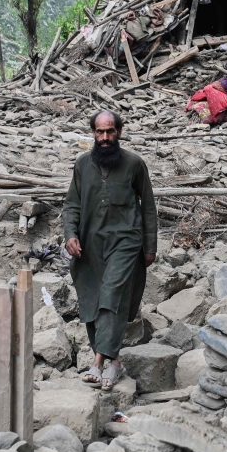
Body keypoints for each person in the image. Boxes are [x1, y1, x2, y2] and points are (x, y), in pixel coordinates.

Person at [62, 110, 157, 390]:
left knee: (113, 295)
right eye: (100, 132)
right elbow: (72, 205)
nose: (105, 138)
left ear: (119, 132)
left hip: (126, 241)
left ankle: (98, 361)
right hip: (91, 245)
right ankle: (115, 362)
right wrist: (70, 235)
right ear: (93, 133)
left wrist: (150, 246)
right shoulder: (82, 165)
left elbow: (149, 207)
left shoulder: (134, 164)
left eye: (110, 132)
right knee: (92, 298)